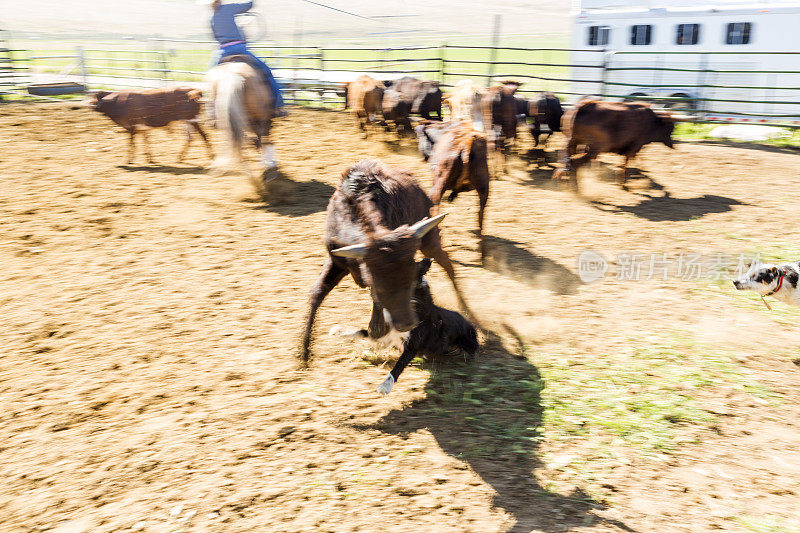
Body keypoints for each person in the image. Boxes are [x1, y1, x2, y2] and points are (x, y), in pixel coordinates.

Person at [202, 0, 286, 114]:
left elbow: (215, 37)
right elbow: (248, 5)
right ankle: (278, 105)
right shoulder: (228, 8)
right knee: (266, 70)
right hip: (240, 48)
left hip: (222, 51)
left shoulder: (210, 18)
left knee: (209, 75)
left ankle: (211, 111)